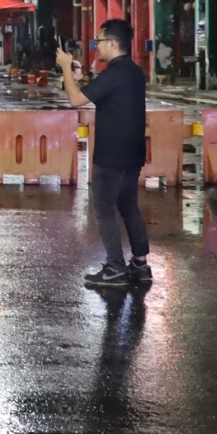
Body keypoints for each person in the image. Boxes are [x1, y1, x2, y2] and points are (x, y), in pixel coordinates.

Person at [58, 18, 152, 288]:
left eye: (98, 41)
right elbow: (99, 91)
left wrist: (65, 68)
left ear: (112, 43)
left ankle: (115, 268)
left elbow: (76, 100)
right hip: (133, 152)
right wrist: (80, 78)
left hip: (111, 154)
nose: (95, 46)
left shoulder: (113, 73)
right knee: (128, 205)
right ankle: (140, 264)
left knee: (103, 208)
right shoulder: (133, 71)